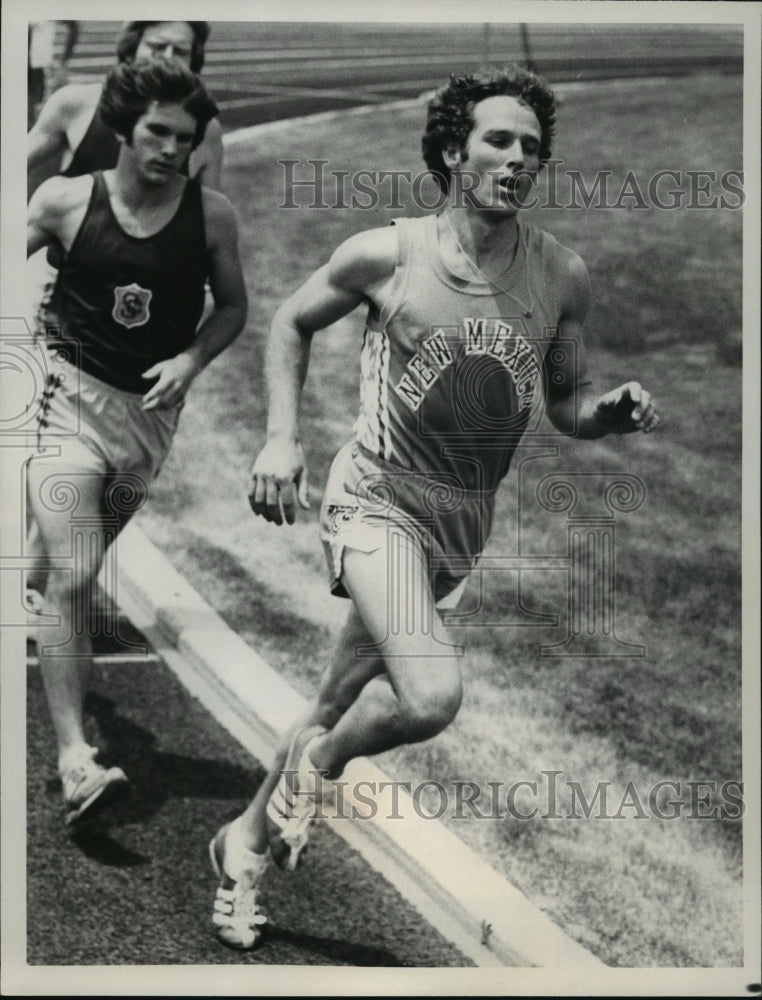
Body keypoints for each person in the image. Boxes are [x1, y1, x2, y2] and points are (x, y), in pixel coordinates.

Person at [208, 66, 659, 950]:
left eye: (532, 146)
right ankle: (320, 770)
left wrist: (603, 415)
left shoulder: (562, 275)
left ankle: (245, 840)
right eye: (499, 139)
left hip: (459, 529)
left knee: (338, 694)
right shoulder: (389, 253)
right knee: (430, 693)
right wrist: (280, 437)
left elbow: (563, 405)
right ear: (454, 149)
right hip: (375, 500)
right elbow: (292, 321)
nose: (519, 158)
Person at [26, 58, 248, 827]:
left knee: (55, 566)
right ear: (123, 127)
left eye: (183, 138)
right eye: (156, 131)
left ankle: (33, 563)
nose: (168, 149)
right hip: (70, 398)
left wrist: (191, 359)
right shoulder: (62, 202)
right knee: (77, 576)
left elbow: (233, 309)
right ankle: (75, 758)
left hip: (148, 422)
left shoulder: (211, 214)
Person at [28, 21, 223, 193]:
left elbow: (210, 219)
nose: (168, 57)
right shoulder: (76, 104)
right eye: (158, 46)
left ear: (194, 60)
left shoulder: (207, 129)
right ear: (132, 49)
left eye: (180, 51)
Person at [28, 20, 79, 129]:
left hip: (39, 64)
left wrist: (64, 60)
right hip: (26, 65)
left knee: (38, 110)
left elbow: (74, 25)